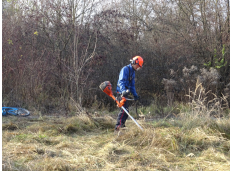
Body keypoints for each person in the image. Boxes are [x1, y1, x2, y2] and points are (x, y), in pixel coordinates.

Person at [115, 56, 143, 131]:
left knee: (126, 111)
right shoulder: (125, 69)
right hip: (121, 92)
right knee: (124, 110)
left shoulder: (133, 72)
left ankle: (122, 127)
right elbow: (121, 82)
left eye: (139, 67)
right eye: (138, 66)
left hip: (125, 93)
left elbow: (132, 85)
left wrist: (135, 95)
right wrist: (123, 91)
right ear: (134, 63)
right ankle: (118, 128)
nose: (138, 68)